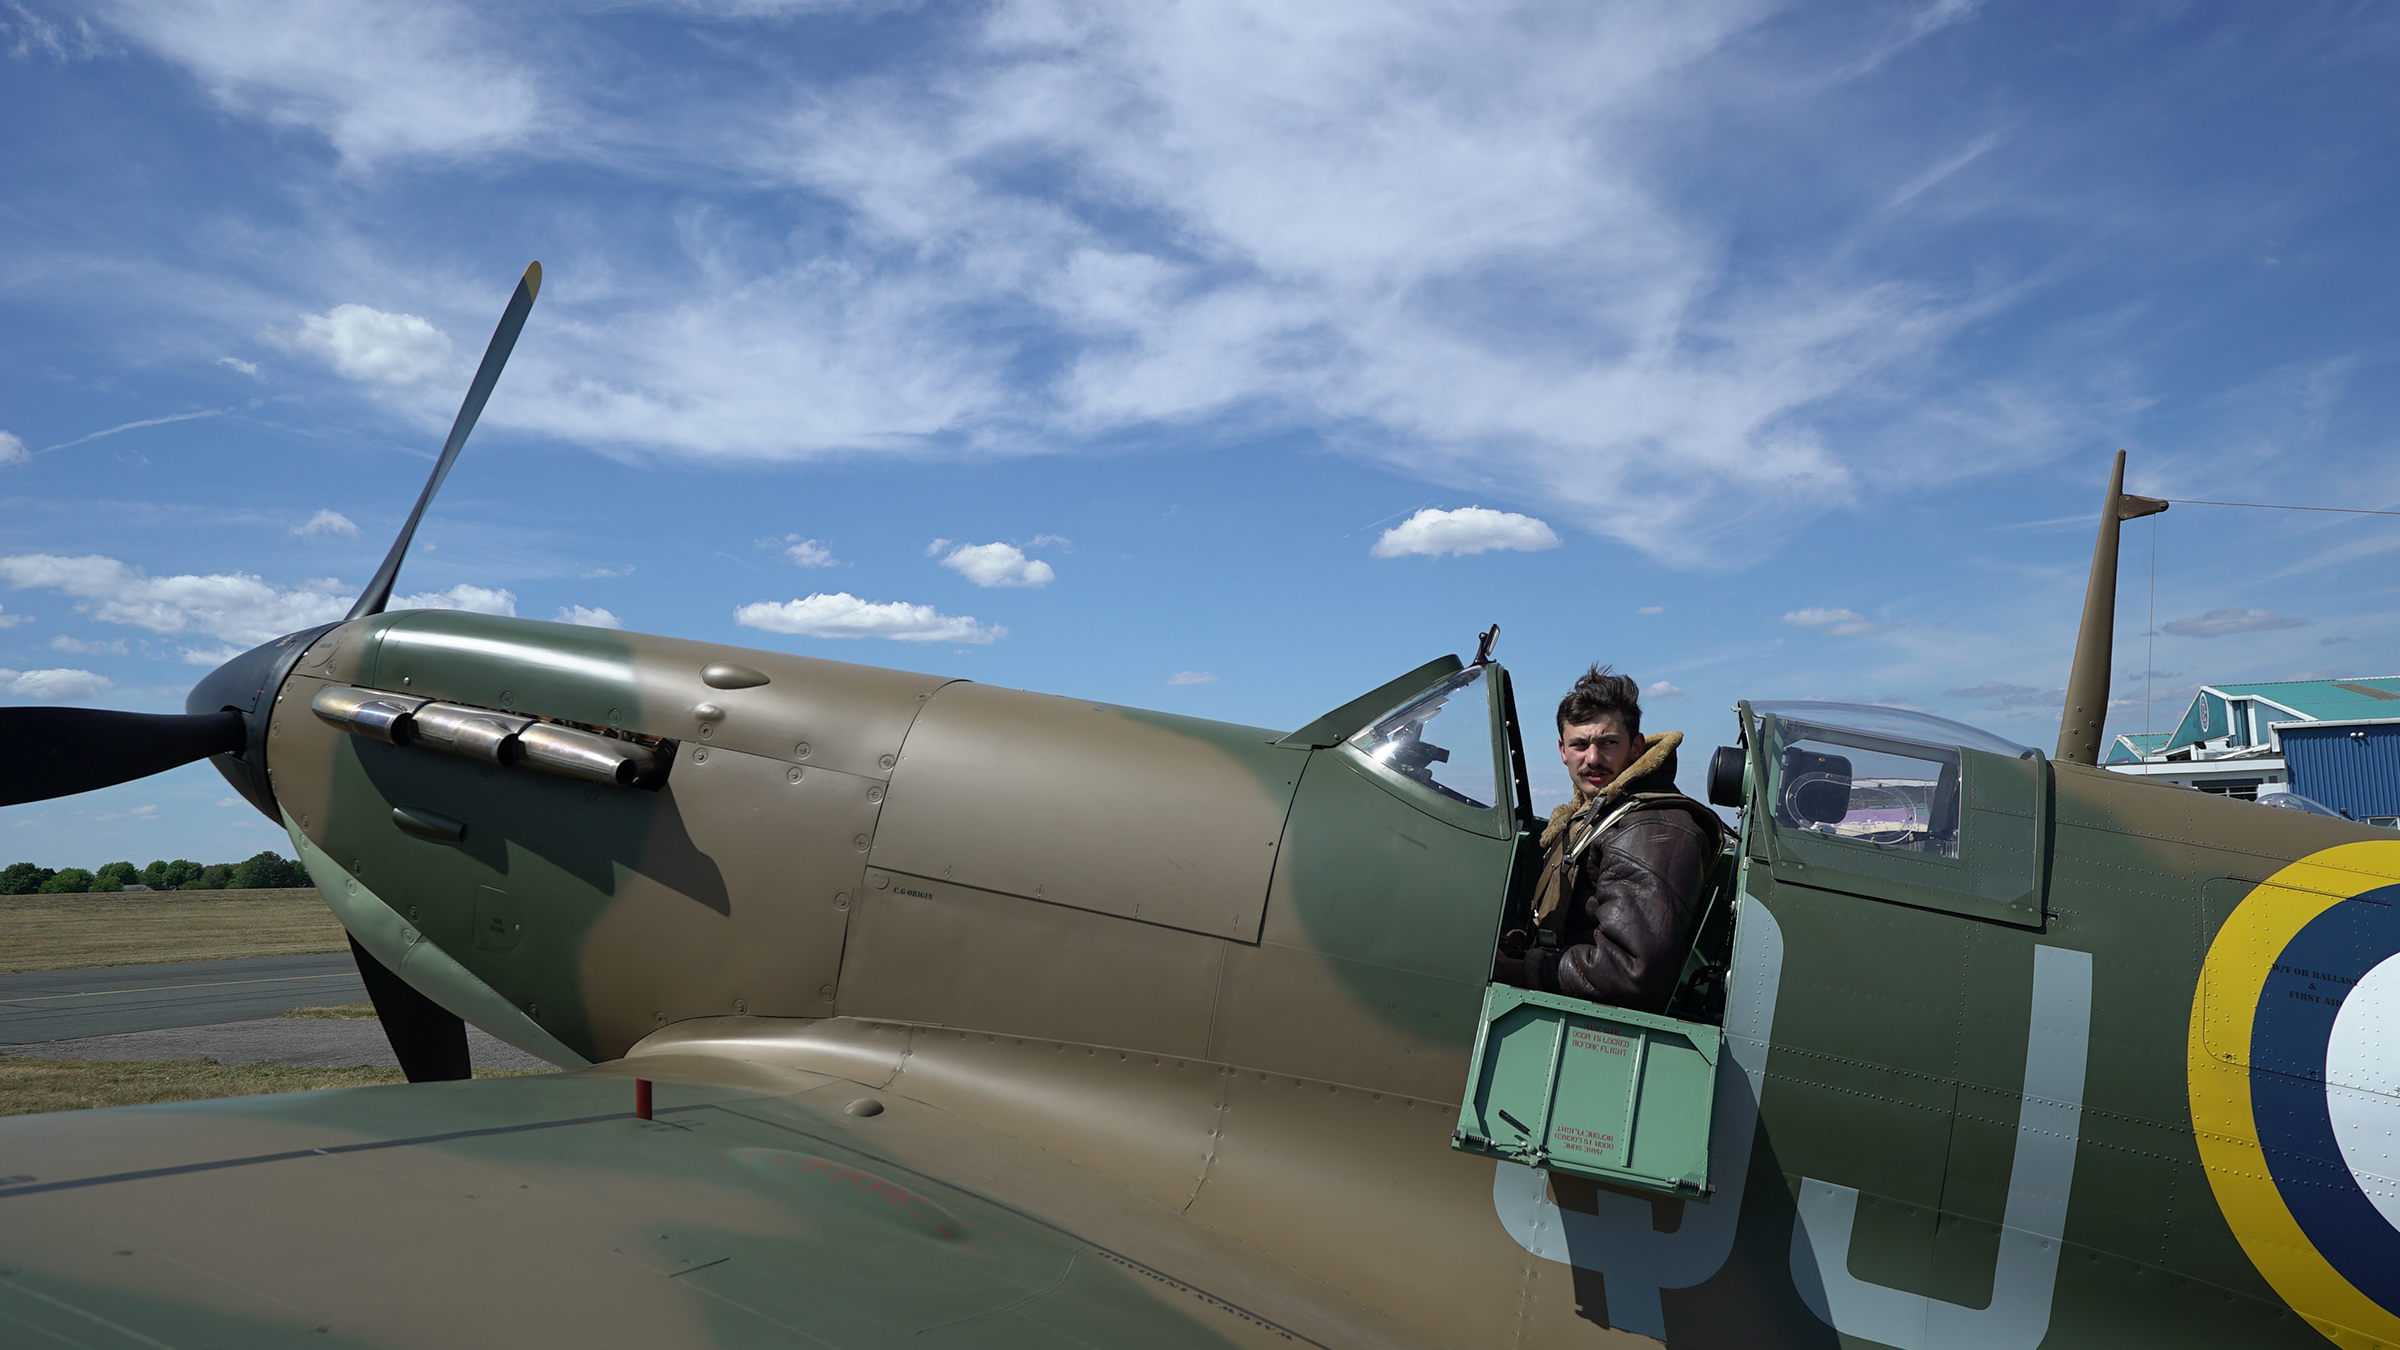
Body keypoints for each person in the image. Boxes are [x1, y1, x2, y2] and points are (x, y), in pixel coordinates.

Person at [1492, 665, 1724, 1013]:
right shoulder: (1595, 814)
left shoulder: (1649, 829)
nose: (1593, 758)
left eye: (1608, 743)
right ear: (1562, 750)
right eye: (1579, 745)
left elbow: (1632, 972)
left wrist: (1522, 970)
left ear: (1636, 747)